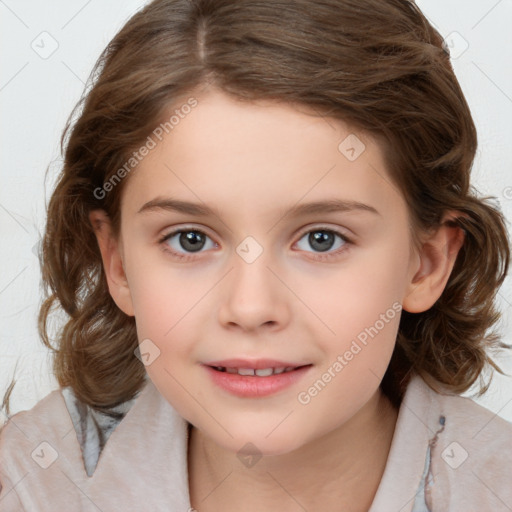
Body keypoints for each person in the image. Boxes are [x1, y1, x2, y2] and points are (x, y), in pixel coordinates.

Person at [1, 0, 511, 510]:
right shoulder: (26, 483)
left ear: (426, 263)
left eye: (322, 239)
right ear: (117, 263)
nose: (250, 308)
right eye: (190, 239)